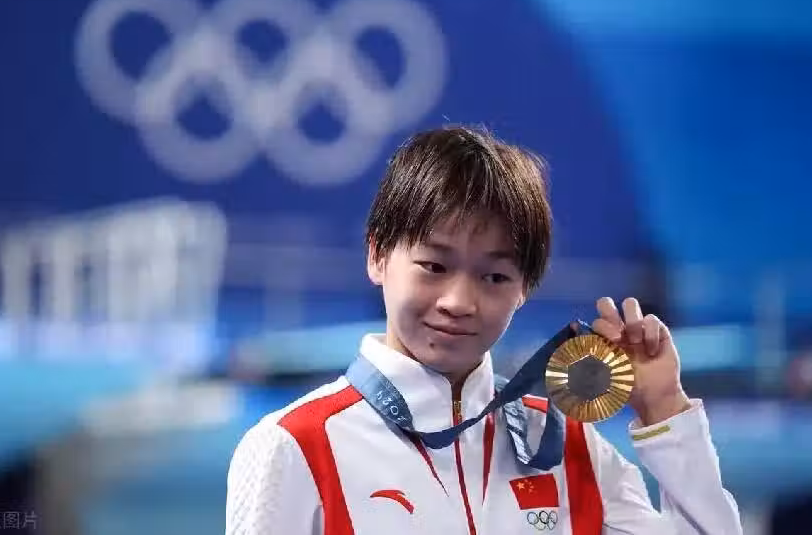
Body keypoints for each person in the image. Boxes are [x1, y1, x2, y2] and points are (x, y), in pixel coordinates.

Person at [225, 126, 742, 534]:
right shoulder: (295, 446)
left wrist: (664, 409)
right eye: (434, 266)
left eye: (494, 277)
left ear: (525, 288)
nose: (458, 302)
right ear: (378, 255)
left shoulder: (568, 448)